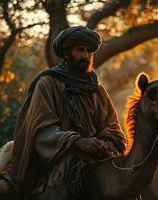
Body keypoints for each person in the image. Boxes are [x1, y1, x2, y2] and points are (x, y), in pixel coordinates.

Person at [10, 26, 127, 199]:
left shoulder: (96, 89)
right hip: (58, 159)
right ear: (66, 53)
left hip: (97, 156)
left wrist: (106, 141)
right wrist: (77, 142)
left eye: (89, 51)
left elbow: (111, 125)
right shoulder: (47, 83)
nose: (86, 56)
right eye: (80, 50)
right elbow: (41, 129)